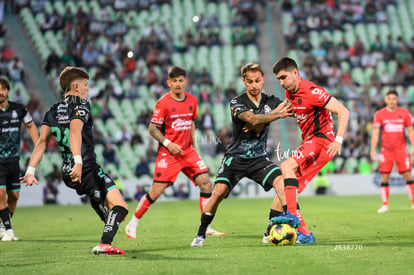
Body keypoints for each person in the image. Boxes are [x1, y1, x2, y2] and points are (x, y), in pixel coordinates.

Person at [20, 67, 129, 255]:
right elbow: (75, 131)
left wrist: (30, 170)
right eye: (86, 85)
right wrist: (79, 161)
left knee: (111, 211)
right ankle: (105, 243)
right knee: (120, 208)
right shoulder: (81, 105)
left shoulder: (52, 111)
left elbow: (41, 143)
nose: (87, 89)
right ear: (76, 86)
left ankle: (105, 217)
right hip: (85, 167)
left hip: (68, 172)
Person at [191, 63, 295, 247]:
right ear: (243, 82)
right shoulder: (236, 102)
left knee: (281, 182)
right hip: (235, 157)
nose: (254, 85)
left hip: (258, 158)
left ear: (263, 80)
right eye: (249, 82)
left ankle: (278, 225)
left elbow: (292, 108)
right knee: (218, 193)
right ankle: (200, 234)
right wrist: (277, 115)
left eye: (257, 81)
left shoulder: (270, 101)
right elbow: (253, 119)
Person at [125, 66, 225, 240]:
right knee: (155, 192)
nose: (178, 84)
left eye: (181, 80)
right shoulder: (163, 103)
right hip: (169, 154)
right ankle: (133, 222)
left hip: (188, 152)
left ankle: (206, 225)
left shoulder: (192, 101)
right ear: (168, 82)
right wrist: (167, 143)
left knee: (206, 183)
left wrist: (193, 143)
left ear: (185, 82)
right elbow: (152, 128)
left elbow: (191, 122)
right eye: (174, 81)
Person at [271, 57, 350, 244]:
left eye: (284, 77)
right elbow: (288, 109)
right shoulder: (291, 93)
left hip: (322, 142)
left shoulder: (313, 92)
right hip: (310, 142)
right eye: (279, 80)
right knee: (284, 189)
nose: (282, 83)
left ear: (295, 73)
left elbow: (344, 111)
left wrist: (338, 140)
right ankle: (305, 234)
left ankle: (291, 215)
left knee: (286, 166)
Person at [0, 77, 39, 241]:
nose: (0, 93)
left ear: (7, 91)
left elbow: (30, 125)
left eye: (2, 89)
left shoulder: (19, 109)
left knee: (14, 196)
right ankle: (9, 231)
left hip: (14, 161)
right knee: (1, 193)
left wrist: (38, 145)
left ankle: (3, 226)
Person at [370, 88, 414, 213]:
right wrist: (373, 149)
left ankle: (413, 202)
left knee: (407, 174)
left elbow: (410, 131)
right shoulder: (379, 114)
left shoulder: (405, 113)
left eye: (394, 99)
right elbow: (376, 133)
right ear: (385, 100)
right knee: (384, 176)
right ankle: (385, 205)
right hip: (386, 150)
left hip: (401, 149)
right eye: (389, 99)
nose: (392, 101)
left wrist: (413, 147)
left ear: (397, 100)